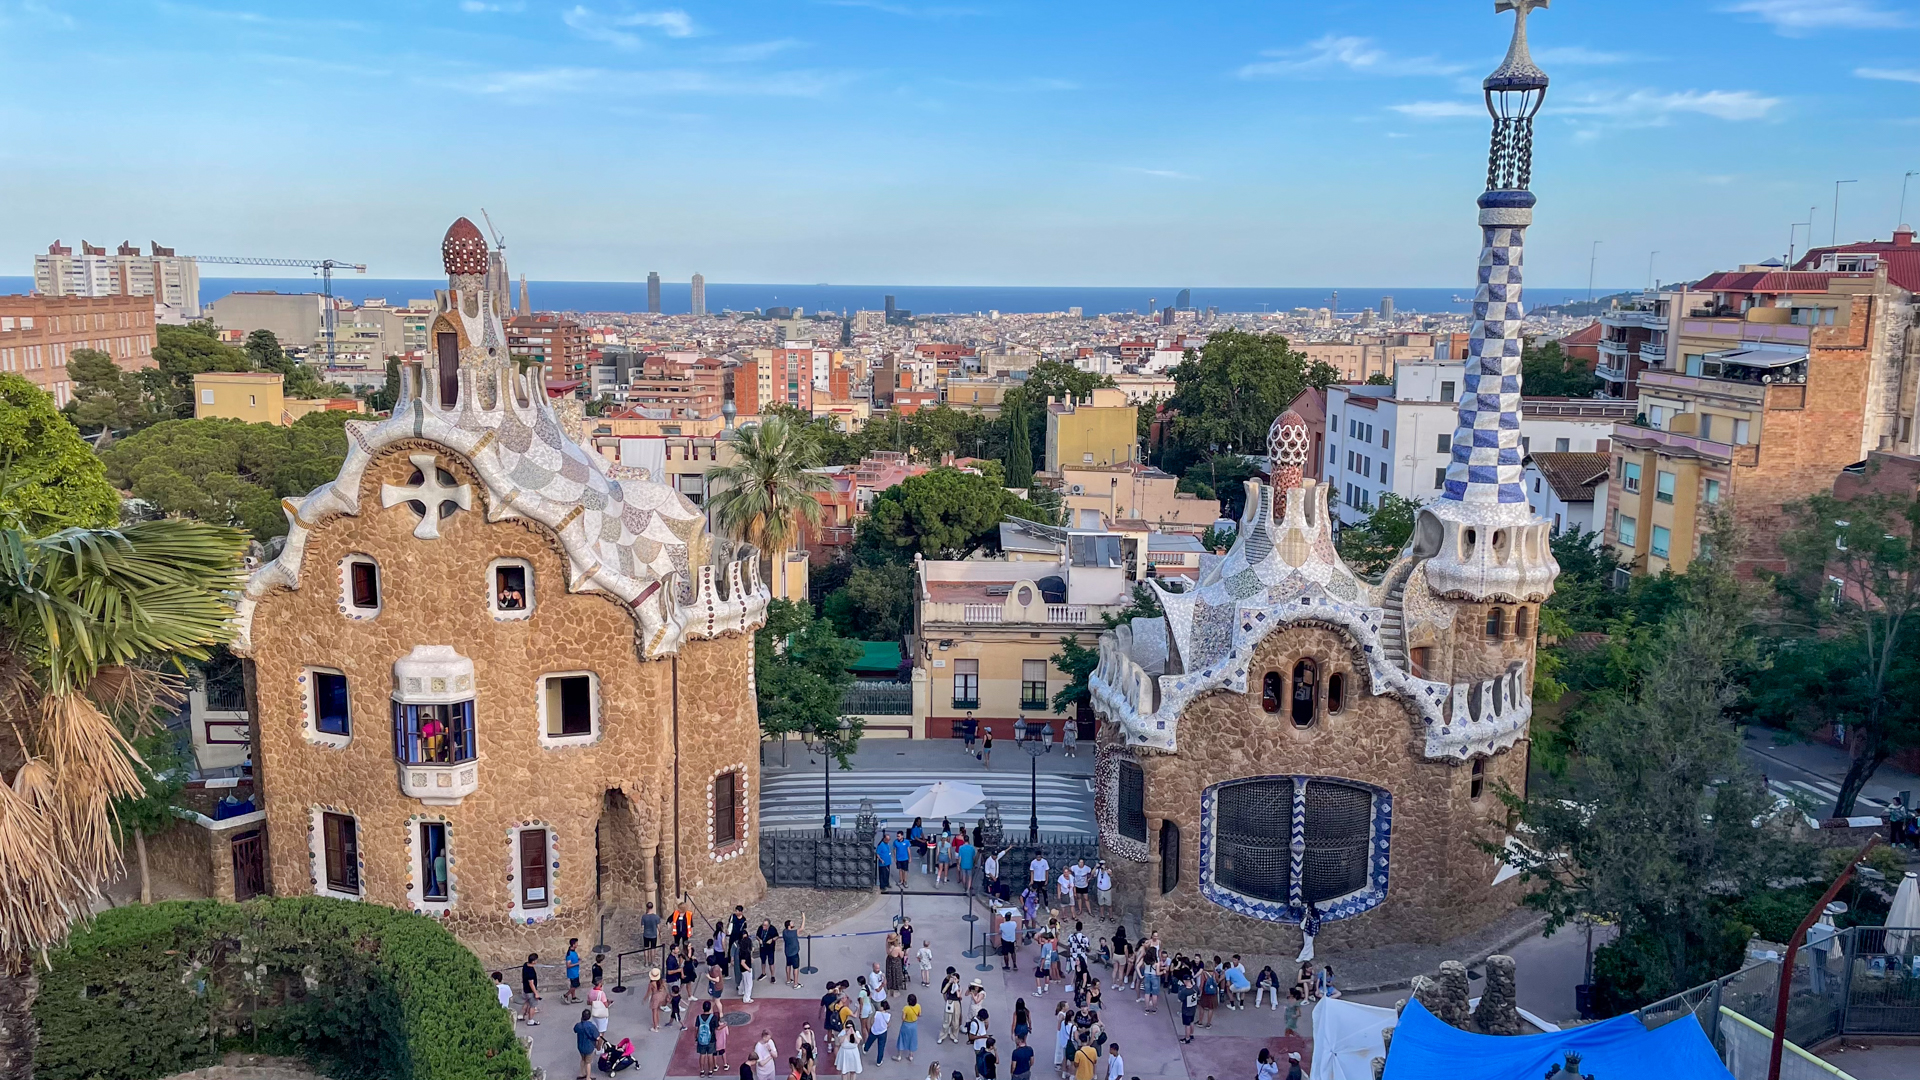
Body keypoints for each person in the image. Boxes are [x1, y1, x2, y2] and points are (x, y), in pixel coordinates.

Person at [574, 1008, 603, 1080]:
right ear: (589, 1017)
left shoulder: (578, 1025)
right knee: (588, 1062)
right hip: (589, 1047)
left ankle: (582, 1073)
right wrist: (598, 1045)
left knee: (583, 1060)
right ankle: (588, 1077)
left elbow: (575, 1030)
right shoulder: (591, 1026)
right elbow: (597, 1037)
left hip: (580, 1046)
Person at [696, 1001, 721, 1077]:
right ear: (710, 1008)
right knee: (710, 1055)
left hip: (701, 1039)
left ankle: (702, 1071)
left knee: (702, 1055)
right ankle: (710, 1071)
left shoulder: (699, 1017)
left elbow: (696, 1028)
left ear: (703, 1008)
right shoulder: (713, 1017)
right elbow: (717, 1028)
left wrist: (696, 1037)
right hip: (711, 1039)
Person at [897, 993, 922, 1062]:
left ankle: (899, 1055)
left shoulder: (906, 1008)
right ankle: (911, 1055)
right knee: (912, 1039)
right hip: (913, 1025)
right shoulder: (918, 1006)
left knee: (902, 1038)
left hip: (906, 1025)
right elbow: (919, 1014)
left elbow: (903, 1018)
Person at [520, 953, 542, 1025]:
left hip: (525, 989)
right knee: (532, 1006)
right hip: (530, 991)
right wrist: (536, 993)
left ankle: (521, 1015)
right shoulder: (531, 971)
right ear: (533, 961)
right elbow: (531, 983)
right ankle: (530, 1020)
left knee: (527, 1002)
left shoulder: (525, 965)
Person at [785, 917, 806, 987]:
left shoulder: (784, 932)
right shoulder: (793, 933)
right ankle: (796, 984)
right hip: (794, 953)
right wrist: (803, 918)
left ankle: (788, 980)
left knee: (788, 965)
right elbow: (802, 928)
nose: (793, 923)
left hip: (787, 952)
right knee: (795, 968)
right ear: (789, 925)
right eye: (791, 923)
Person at [565, 939, 583, 1003]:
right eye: (576, 943)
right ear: (573, 944)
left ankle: (574, 998)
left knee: (573, 985)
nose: (577, 944)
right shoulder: (569, 954)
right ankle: (565, 995)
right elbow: (568, 965)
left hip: (575, 972)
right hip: (573, 973)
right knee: (575, 986)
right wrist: (577, 963)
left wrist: (577, 959)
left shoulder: (573, 952)